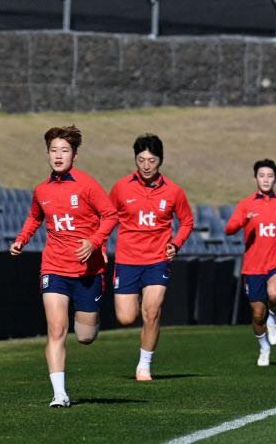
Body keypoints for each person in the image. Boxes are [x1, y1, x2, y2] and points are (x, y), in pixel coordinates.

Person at [10, 125, 118, 408]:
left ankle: (92, 317)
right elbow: (35, 218)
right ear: (47, 154)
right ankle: (60, 394)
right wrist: (21, 239)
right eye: (53, 150)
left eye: (64, 150)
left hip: (87, 271)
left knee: (84, 337)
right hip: (54, 267)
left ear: (75, 155)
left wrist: (94, 243)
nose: (58, 156)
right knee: (56, 330)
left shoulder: (86, 185)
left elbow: (110, 215)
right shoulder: (41, 189)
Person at [109, 134, 194, 381]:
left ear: (160, 161)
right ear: (135, 160)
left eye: (152, 160)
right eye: (141, 159)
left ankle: (144, 365)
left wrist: (176, 243)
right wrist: (99, 245)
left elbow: (187, 221)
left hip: (157, 260)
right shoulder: (121, 187)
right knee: (126, 318)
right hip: (126, 260)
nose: (146, 165)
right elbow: (106, 217)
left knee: (151, 312)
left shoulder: (174, 191)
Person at [225, 159, 276, 367]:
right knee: (257, 314)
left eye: (270, 175)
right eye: (262, 175)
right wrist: (243, 220)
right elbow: (229, 229)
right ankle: (264, 347)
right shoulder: (246, 204)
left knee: (275, 294)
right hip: (253, 266)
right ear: (255, 178)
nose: (266, 179)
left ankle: (273, 319)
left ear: (275, 178)